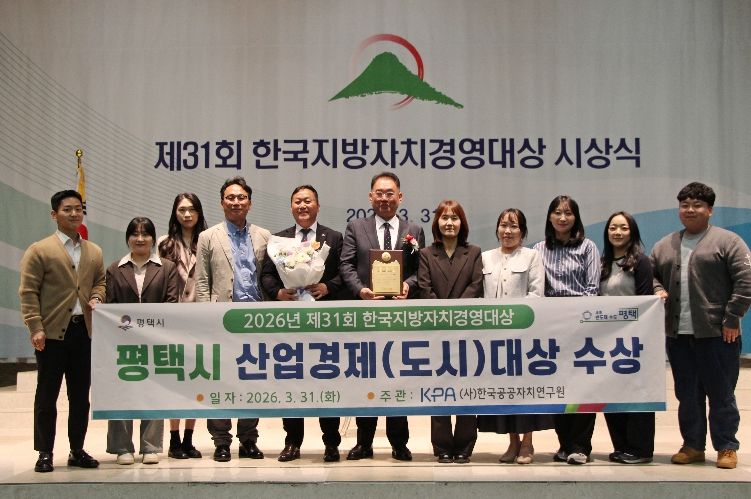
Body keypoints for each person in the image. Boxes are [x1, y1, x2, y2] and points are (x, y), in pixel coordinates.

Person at [651, 182, 751, 469]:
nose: (690, 210)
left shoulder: (728, 241)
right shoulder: (665, 244)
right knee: (687, 395)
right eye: (685, 205)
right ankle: (692, 446)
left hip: (718, 334)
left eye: (697, 205)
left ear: (710, 210)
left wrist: (732, 318)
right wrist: (658, 289)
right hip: (678, 335)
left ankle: (727, 447)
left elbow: (745, 282)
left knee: (721, 393)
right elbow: (651, 275)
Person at [339, 172, 425, 461]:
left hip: (400, 317)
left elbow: (420, 270)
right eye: (379, 193)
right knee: (366, 379)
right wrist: (360, 290)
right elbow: (346, 265)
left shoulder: (414, 229)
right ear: (370, 197)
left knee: (398, 379)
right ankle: (364, 443)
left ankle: (399, 444)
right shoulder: (356, 227)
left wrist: (408, 285)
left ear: (400, 197)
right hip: (366, 314)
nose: (384, 198)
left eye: (390, 193)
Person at [19, 190, 104, 473]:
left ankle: (77, 450)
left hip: (84, 333)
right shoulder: (39, 250)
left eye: (78, 208)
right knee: (47, 396)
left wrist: (97, 297)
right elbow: (28, 292)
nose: (74, 213)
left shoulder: (94, 251)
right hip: (52, 334)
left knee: (80, 397)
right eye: (67, 209)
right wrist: (35, 327)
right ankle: (45, 452)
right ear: (54, 214)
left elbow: (100, 282)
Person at [261, 185, 345, 463]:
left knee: (326, 382)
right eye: (297, 201)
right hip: (290, 325)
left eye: (308, 201)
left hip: (324, 325)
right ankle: (292, 442)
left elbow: (344, 274)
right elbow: (267, 275)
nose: (303, 206)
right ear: (291, 207)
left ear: (318, 206)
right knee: (291, 383)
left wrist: (327, 287)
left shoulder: (334, 237)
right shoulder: (278, 239)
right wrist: (278, 293)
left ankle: (331, 443)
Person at [195, 176, 271, 462]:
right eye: (230, 197)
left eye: (241, 198)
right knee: (221, 382)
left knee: (252, 380)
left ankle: (249, 439)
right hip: (221, 320)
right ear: (222, 202)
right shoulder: (208, 236)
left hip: (256, 322)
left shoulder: (264, 236)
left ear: (249, 203)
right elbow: (202, 281)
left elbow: (269, 279)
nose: (236, 202)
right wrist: (206, 318)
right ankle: (221, 441)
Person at [476, 208, 552, 465]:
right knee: (504, 392)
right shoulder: (485, 258)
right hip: (494, 338)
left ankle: (528, 442)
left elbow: (536, 294)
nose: (507, 231)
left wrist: (514, 321)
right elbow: (480, 296)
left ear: (523, 231)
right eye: (503, 225)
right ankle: (513, 441)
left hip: (524, 336)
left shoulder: (532, 256)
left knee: (525, 391)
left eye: (514, 226)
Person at [533, 195, 600, 465]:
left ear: (576, 218)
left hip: (581, 327)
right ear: (549, 217)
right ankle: (564, 444)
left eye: (568, 213)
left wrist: (577, 319)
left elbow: (592, 289)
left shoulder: (588, 247)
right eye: (558, 213)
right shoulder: (539, 249)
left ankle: (581, 445)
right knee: (557, 387)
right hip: (551, 328)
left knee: (583, 388)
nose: (562, 218)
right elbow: (537, 288)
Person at [105, 217, 178, 465]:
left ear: (153, 239)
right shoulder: (115, 269)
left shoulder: (166, 267)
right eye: (134, 234)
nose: (140, 239)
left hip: (156, 341)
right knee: (121, 392)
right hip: (123, 342)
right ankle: (122, 447)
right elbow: (111, 306)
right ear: (127, 238)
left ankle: (150, 446)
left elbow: (171, 304)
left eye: (145, 234)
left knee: (153, 391)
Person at [417, 200, 483, 464]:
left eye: (454, 218)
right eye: (444, 218)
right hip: (437, 330)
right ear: (437, 223)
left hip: (466, 331)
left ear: (462, 223)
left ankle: (465, 444)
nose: (449, 223)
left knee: (467, 387)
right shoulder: (426, 253)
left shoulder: (474, 252)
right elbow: (424, 288)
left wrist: (457, 314)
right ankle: (442, 445)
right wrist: (444, 317)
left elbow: (476, 286)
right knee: (439, 388)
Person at [599, 212, 655, 464]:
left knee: (636, 395)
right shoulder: (602, 263)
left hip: (634, 341)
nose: (617, 232)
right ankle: (622, 446)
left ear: (632, 232)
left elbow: (645, 299)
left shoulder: (640, 262)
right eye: (613, 228)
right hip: (607, 343)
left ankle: (641, 449)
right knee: (612, 395)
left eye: (623, 228)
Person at [157, 193, 208, 459]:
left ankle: (189, 439)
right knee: (175, 381)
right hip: (173, 321)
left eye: (192, 210)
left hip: (200, 321)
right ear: (175, 213)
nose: (187, 215)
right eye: (182, 210)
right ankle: (174, 439)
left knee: (196, 381)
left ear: (199, 212)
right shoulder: (164, 244)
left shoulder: (208, 240)